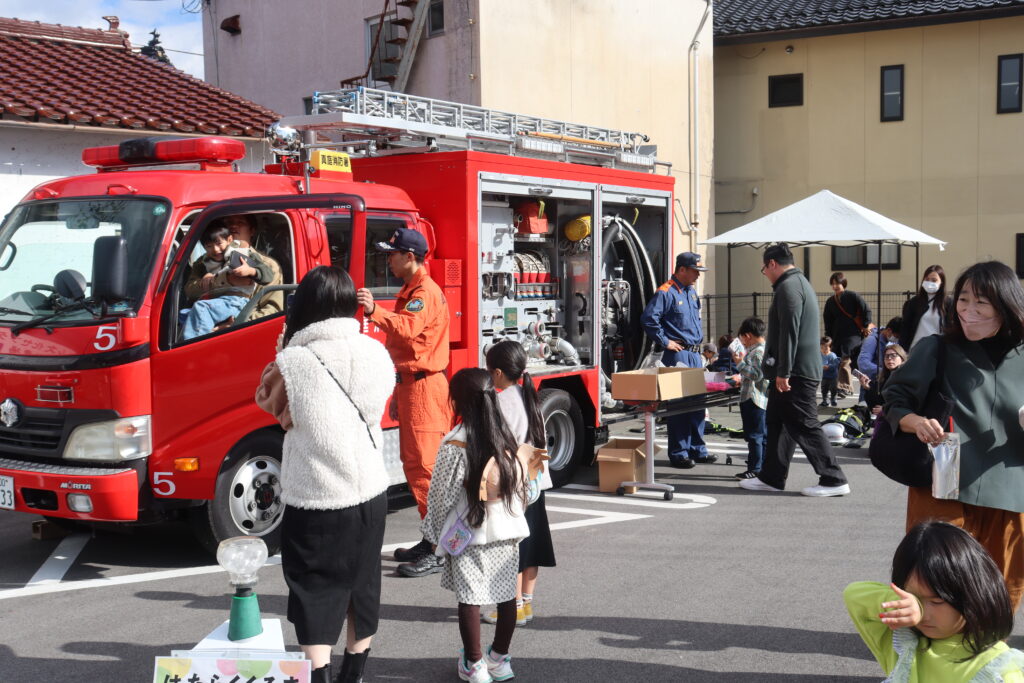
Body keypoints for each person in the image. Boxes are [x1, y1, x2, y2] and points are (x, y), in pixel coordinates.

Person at [255, 266, 394, 683]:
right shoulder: (375, 350)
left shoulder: (294, 361)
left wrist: (282, 349)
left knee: (314, 588)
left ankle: (318, 676)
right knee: (362, 585)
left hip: (317, 496)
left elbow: (269, 402)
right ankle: (354, 674)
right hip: (370, 490)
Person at [882, 260, 1024, 609]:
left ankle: (986, 650)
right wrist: (914, 421)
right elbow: (895, 398)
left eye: (981, 302)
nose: (968, 310)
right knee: (933, 578)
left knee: (1000, 589)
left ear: (1005, 306)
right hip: (944, 479)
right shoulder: (937, 347)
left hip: (1010, 487)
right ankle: (925, 647)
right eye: (963, 299)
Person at [356, 227, 454, 578]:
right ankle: (431, 541)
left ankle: (439, 548)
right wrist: (399, 393)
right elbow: (410, 347)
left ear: (410, 257)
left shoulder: (423, 292)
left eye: (392, 254)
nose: (388, 259)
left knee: (425, 470)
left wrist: (373, 312)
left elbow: (408, 331)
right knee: (417, 467)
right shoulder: (415, 289)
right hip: (416, 386)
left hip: (424, 388)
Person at [422, 368, 531, 683]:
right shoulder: (506, 437)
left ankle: (474, 664)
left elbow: (442, 496)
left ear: (458, 401)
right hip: (508, 527)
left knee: (470, 598)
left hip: (470, 531)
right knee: (505, 595)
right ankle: (499, 659)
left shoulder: (456, 442)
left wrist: (431, 535)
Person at [844, 521, 1023, 681]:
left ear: (971, 593)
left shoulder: (997, 669)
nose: (922, 614)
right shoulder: (903, 641)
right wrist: (899, 603)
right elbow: (853, 594)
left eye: (936, 601)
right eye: (912, 598)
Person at [739, 243, 850, 497]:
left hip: (796, 371)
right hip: (797, 369)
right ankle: (771, 477)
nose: (765, 273)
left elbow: (790, 332)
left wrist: (784, 371)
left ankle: (834, 478)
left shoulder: (789, 287)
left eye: (764, 268)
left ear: (772, 264)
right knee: (778, 421)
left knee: (804, 423)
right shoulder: (797, 283)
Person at [482, 340, 556, 628]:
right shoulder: (531, 397)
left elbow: (497, 444)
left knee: (512, 546)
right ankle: (525, 603)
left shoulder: (502, 401)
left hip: (513, 485)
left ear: (498, 372)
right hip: (536, 482)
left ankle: (509, 607)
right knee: (533, 544)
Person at [640, 251, 714, 468]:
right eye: (695, 271)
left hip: (693, 353)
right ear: (682, 269)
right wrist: (665, 341)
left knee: (697, 404)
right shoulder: (666, 292)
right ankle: (679, 452)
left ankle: (698, 449)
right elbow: (649, 319)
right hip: (678, 353)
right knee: (680, 405)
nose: (698, 276)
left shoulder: (690, 292)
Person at [180, 220, 278, 339]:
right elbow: (190, 290)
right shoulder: (203, 262)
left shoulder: (245, 254)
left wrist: (251, 271)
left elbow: (268, 275)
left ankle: (193, 350)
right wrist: (209, 279)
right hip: (216, 304)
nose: (215, 250)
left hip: (237, 303)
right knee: (184, 314)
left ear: (229, 239)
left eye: (219, 243)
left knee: (201, 308)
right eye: (209, 246)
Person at [729, 317, 768, 480]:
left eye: (742, 338)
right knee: (761, 435)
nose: (742, 342)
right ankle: (761, 466)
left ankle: (755, 468)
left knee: (754, 436)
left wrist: (739, 363)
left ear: (748, 335)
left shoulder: (757, 351)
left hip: (753, 398)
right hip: (760, 399)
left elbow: (757, 375)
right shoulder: (764, 349)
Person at [822, 271, 871, 396]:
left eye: (837, 283)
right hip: (837, 335)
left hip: (853, 334)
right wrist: (829, 336)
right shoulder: (830, 301)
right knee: (840, 360)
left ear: (843, 283)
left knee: (845, 359)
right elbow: (828, 320)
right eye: (832, 284)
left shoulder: (853, 296)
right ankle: (846, 387)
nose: (835, 286)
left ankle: (844, 387)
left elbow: (866, 309)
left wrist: (865, 325)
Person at [901, 264, 952, 350]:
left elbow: (951, 327)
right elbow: (905, 328)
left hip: (939, 349)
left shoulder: (948, 303)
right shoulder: (914, 303)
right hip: (916, 349)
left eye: (934, 280)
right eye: (927, 279)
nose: (930, 283)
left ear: (941, 282)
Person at [855, 317, 902, 394]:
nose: (897, 339)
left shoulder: (889, 341)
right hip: (871, 385)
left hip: (884, 384)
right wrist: (883, 371)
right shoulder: (872, 340)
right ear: (889, 330)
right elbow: (862, 362)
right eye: (896, 337)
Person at [864, 344, 906, 417]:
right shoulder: (883, 377)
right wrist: (868, 388)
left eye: (893, 355)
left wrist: (886, 410)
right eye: (886, 356)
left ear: (902, 358)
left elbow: (905, 403)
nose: (889, 358)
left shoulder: (906, 377)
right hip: (883, 420)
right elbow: (874, 406)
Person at [820, 336, 840, 407]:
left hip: (832, 376)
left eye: (828, 346)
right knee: (824, 389)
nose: (825, 348)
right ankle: (824, 400)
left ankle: (833, 399)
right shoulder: (819, 354)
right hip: (824, 376)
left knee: (833, 389)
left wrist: (829, 366)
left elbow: (836, 364)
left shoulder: (832, 355)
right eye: (823, 346)